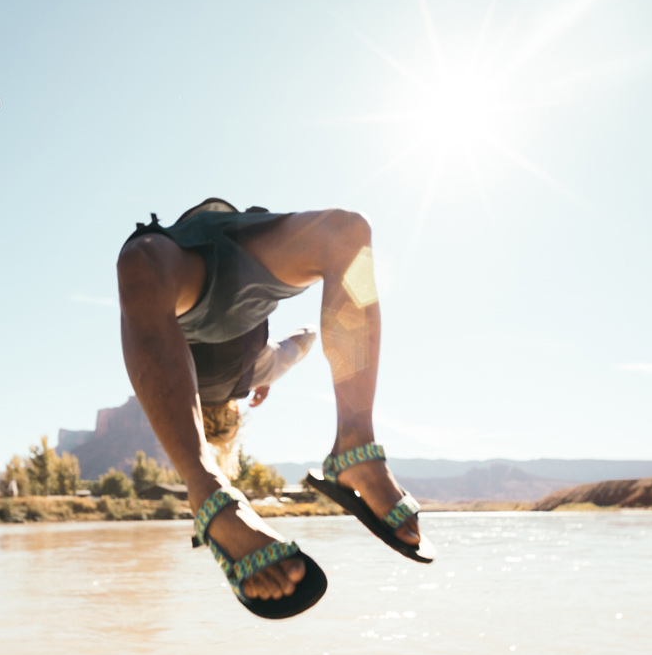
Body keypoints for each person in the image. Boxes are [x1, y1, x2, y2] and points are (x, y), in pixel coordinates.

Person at [116, 198, 434, 619]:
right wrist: (270, 369)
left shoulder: (255, 371)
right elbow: (303, 339)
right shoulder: (260, 369)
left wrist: (273, 367)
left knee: (141, 261)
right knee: (346, 234)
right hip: (222, 269)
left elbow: (299, 341)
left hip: (185, 270)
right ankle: (354, 442)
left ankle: (206, 486)